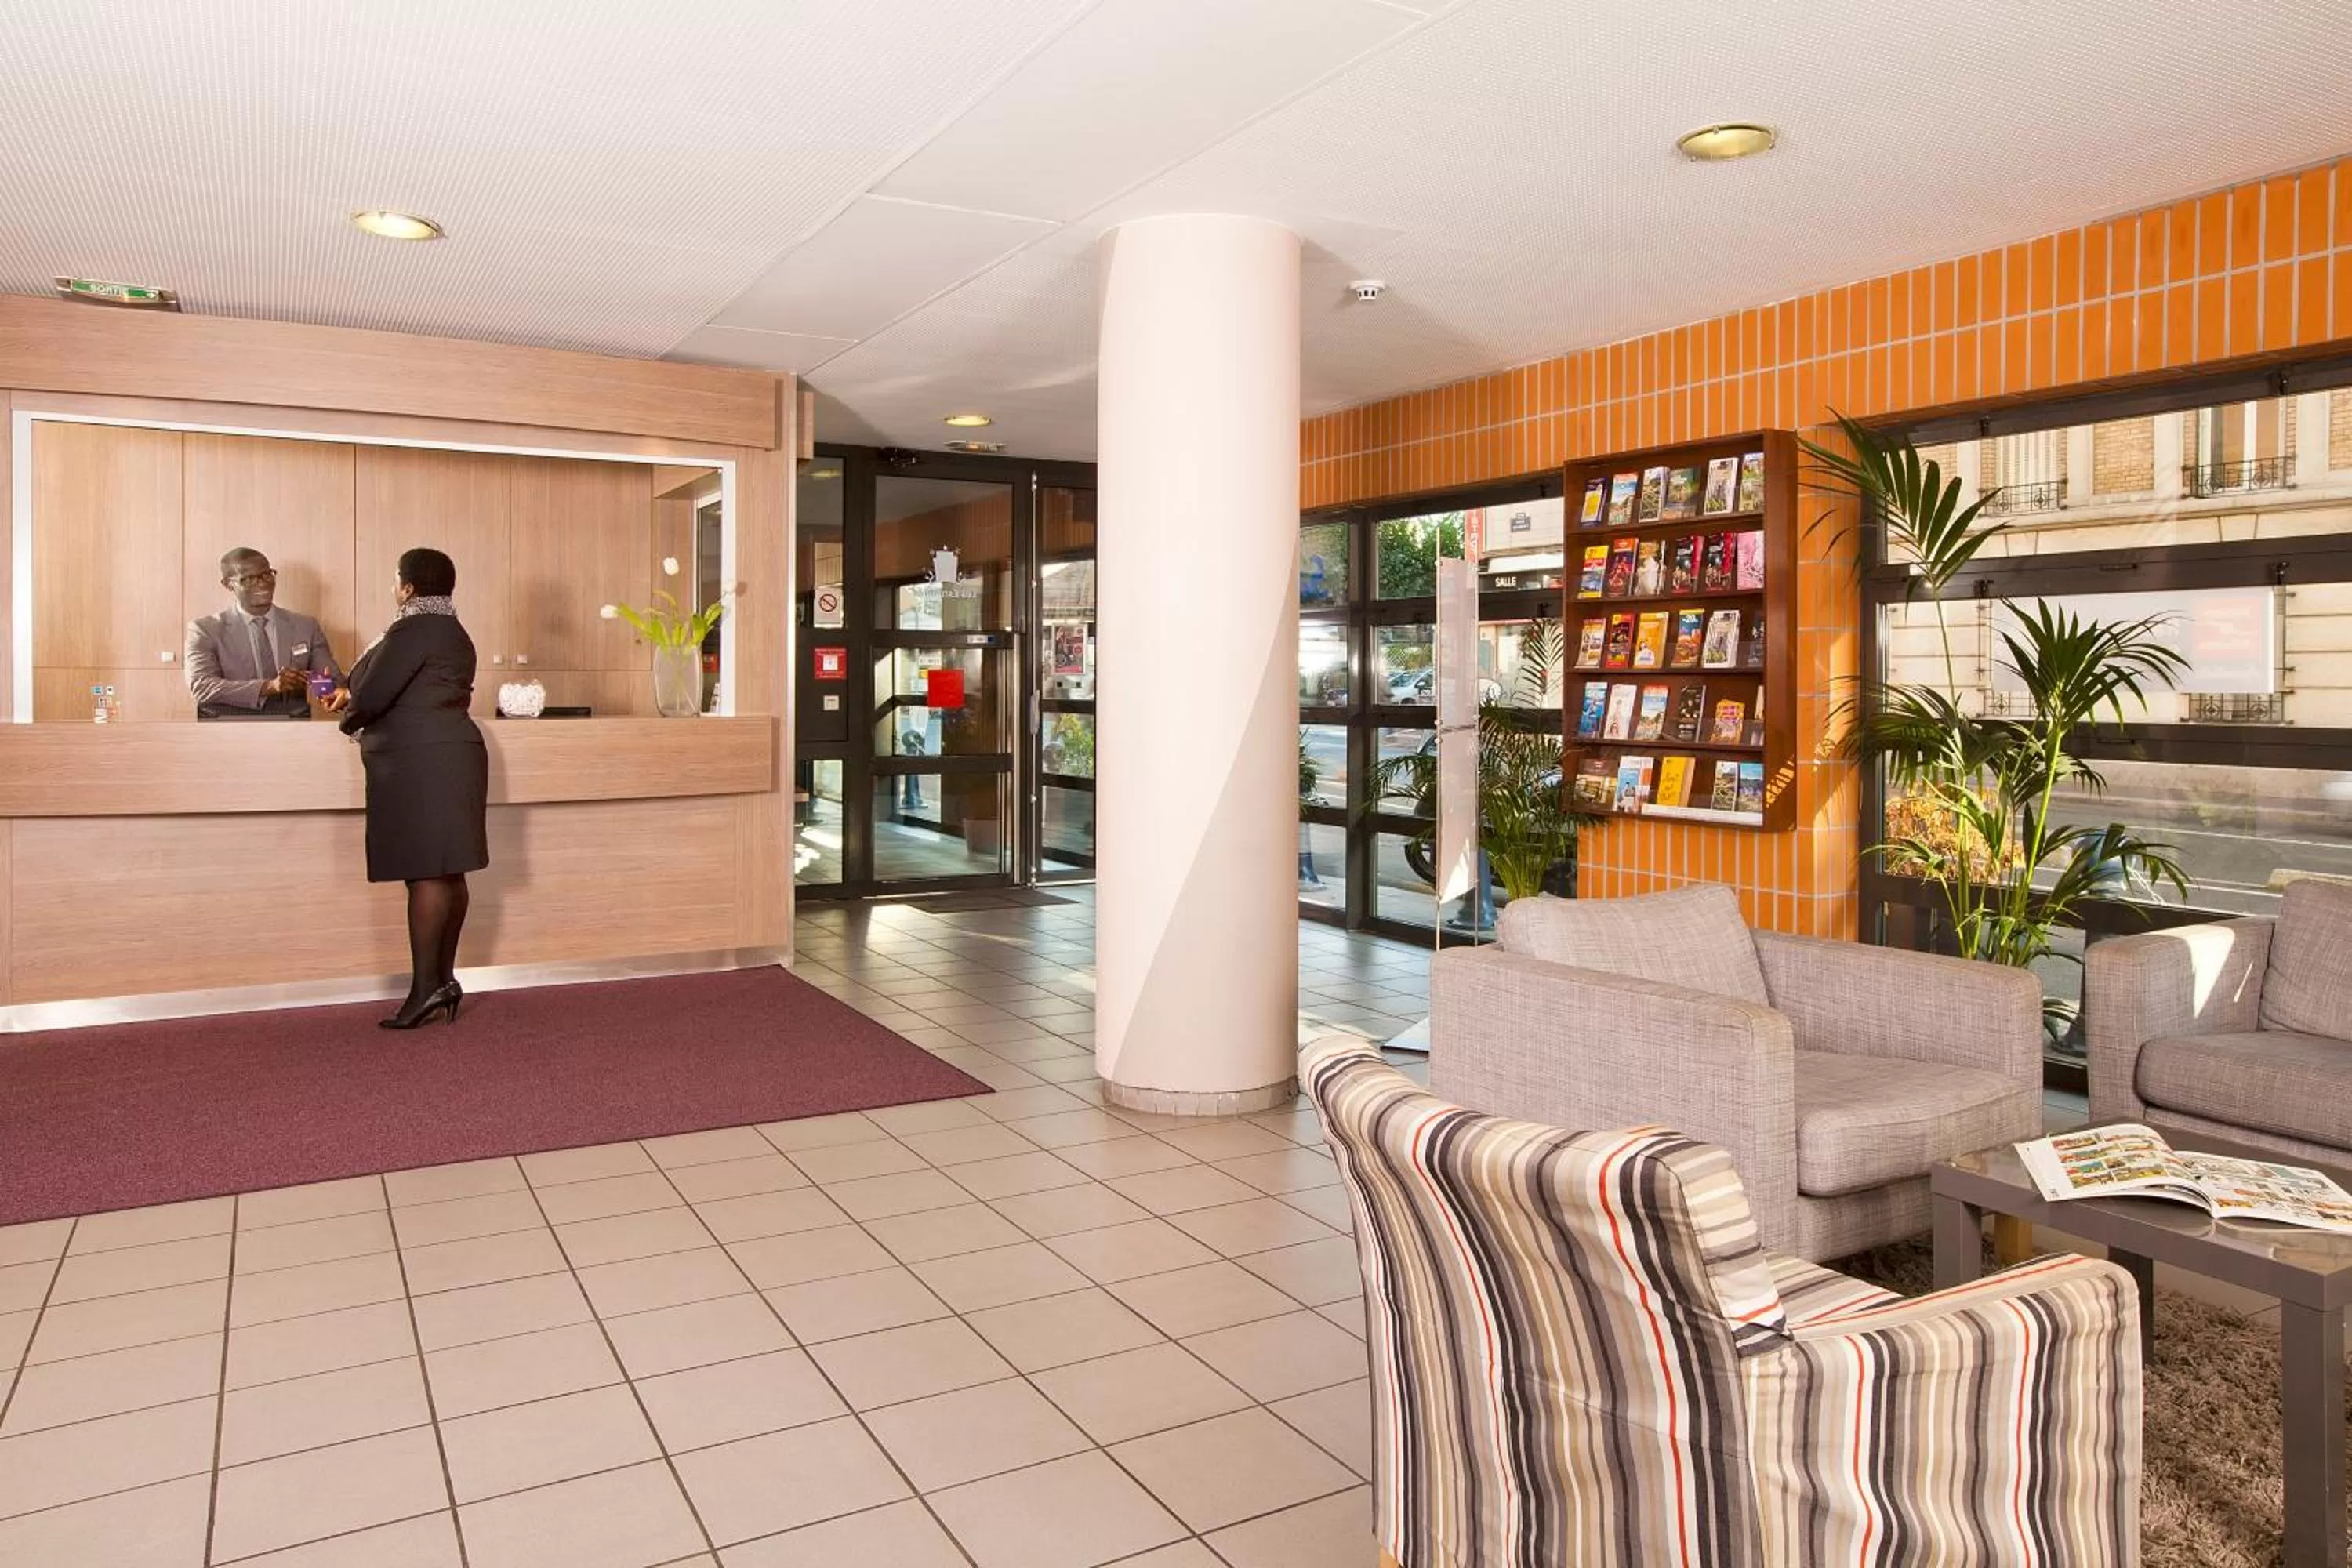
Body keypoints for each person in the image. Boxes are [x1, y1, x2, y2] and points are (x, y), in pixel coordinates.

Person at [338, 548, 488, 1030]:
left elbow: (372, 696)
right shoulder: (454, 630)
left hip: (419, 763)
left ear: (406, 586)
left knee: (426, 874)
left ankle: (426, 990)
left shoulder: (412, 629)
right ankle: (442, 982)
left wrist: (347, 716)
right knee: (448, 871)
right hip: (453, 756)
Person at [185, 548, 343, 718]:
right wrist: (270, 686)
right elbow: (202, 687)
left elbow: (330, 680)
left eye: (267, 574)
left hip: (292, 729)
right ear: (228, 584)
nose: (262, 583)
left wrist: (327, 690)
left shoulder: (305, 626)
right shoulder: (205, 630)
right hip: (229, 729)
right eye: (250, 579)